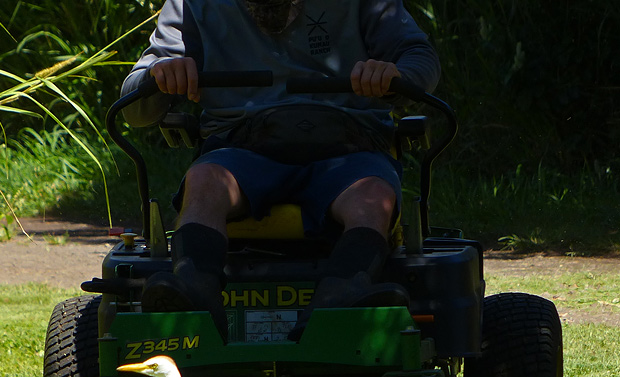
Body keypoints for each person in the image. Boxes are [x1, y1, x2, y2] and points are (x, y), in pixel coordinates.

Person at [122, 0, 440, 340]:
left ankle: (337, 304)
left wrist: (396, 75)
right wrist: (160, 76)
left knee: (374, 196)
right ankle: (195, 299)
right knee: (204, 181)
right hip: (241, 144)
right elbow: (134, 106)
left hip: (351, 143)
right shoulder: (191, 5)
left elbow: (420, 59)